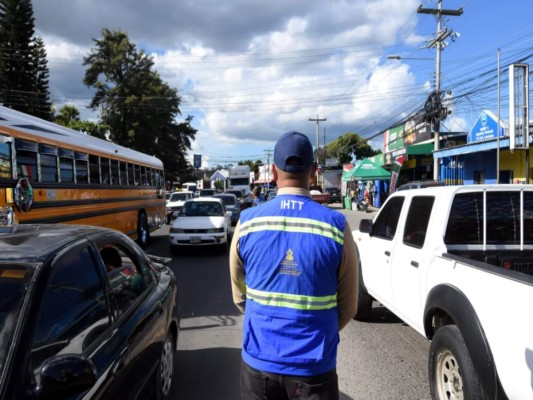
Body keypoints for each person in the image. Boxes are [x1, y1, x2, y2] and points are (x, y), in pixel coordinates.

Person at [229, 131, 359, 400]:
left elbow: (239, 293)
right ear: (313, 172)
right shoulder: (336, 227)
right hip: (314, 368)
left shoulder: (247, 222)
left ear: (274, 173)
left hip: (259, 364)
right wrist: (318, 330)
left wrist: (264, 318)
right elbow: (348, 306)